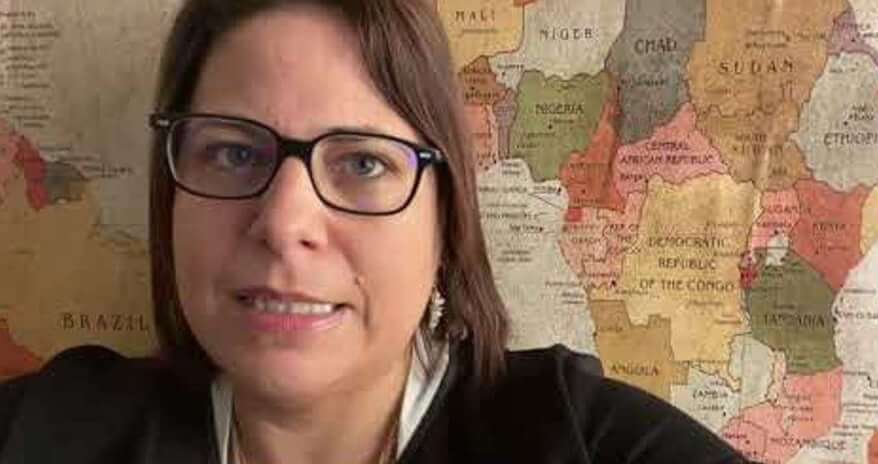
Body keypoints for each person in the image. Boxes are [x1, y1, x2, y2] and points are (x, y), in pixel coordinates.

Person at [0, 0, 753, 463]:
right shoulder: (44, 433)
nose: (285, 223)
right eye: (232, 153)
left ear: (445, 218)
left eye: (363, 162)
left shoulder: (590, 444)